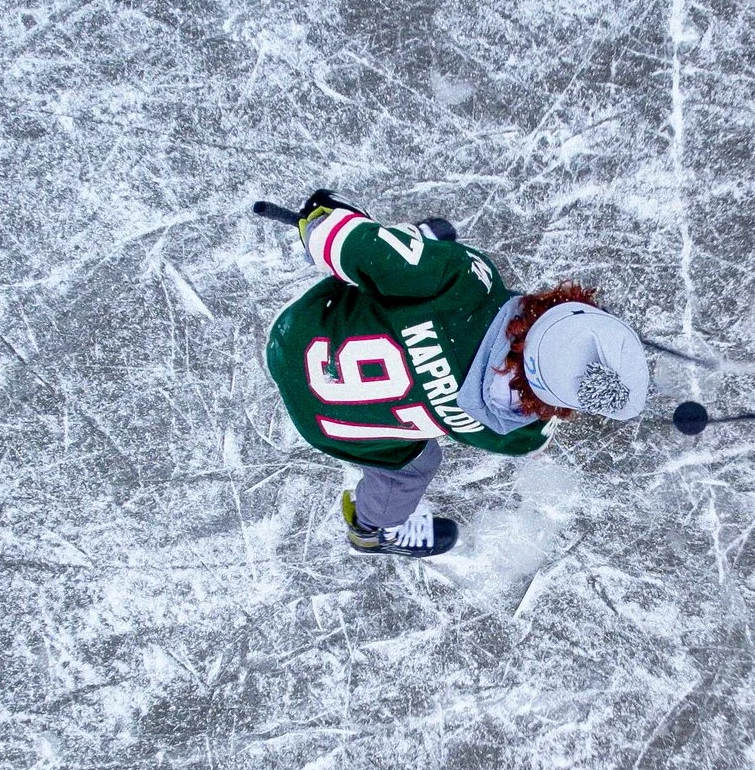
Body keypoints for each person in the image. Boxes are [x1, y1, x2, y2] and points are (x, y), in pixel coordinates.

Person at [264, 191, 650, 558]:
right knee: (413, 466)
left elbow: (352, 245)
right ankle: (370, 529)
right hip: (324, 422)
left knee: (394, 268)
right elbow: (537, 439)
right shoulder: (518, 430)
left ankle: (414, 247)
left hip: (300, 331)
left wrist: (326, 224)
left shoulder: (466, 281)